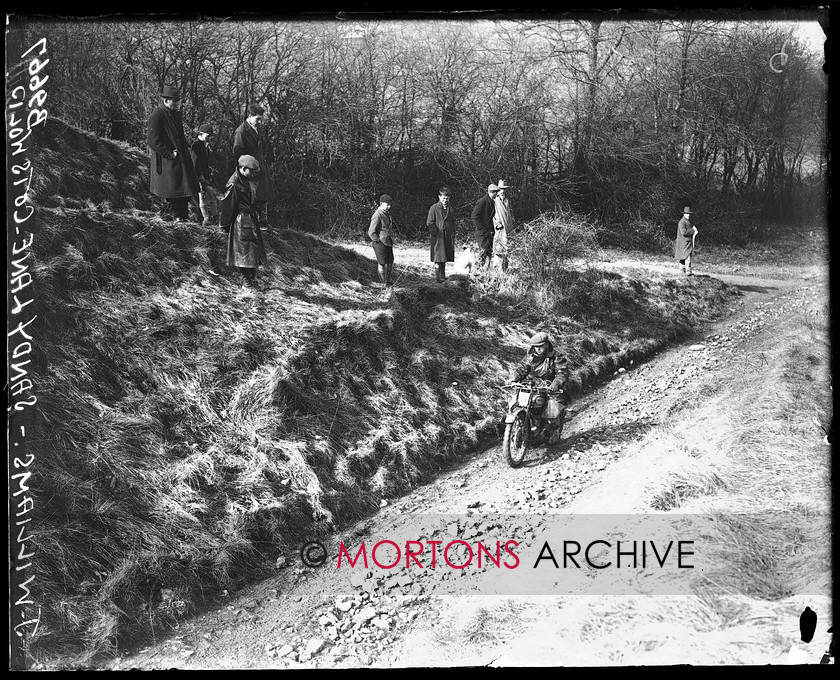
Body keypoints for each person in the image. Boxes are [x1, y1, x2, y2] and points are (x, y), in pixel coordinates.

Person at [146, 84, 200, 221]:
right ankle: (175, 218)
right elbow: (153, 141)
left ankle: (183, 217)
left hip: (180, 159)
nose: (177, 104)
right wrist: (169, 153)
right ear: (165, 100)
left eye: (178, 100)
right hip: (167, 162)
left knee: (184, 191)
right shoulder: (157, 115)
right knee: (173, 191)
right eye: (174, 101)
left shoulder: (175, 114)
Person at [508, 332, 569, 445]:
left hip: (550, 386)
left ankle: (554, 430)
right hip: (533, 385)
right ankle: (520, 427)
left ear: (546, 344)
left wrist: (555, 384)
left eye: (540, 346)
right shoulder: (530, 356)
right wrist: (514, 378)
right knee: (516, 402)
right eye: (536, 347)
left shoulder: (556, 356)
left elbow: (562, 374)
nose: (538, 349)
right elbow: (522, 369)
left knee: (552, 408)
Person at [219, 155, 269, 290]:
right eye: (252, 171)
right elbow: (228, 206)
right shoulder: (234, 184)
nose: (254, 174)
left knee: (253, 252)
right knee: (243, 254)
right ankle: (246, 283)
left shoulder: (246, 180)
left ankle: (252, 280)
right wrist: (224, 225)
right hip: (241, 222)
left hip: (250, 220)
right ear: (243, 168)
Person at [233, 104, 273, 230]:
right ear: (249, 116)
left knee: (264, 193)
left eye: (261, 119)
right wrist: (247, 167)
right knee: (252, 195)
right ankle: (255, 222)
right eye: (257, 119)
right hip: (249, 168)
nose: (259, 122)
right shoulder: (241, 131)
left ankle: (263, 221)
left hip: (259, 166)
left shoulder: (255, 128)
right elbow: (237, 152)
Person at [191, 123, 219, 226]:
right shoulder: (196, 145)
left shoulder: (205, 145)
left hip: (204, 176)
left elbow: (205, 164)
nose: (210, 137)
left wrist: (207, 177)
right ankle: (206, 218)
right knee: (202, 195)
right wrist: (200, 178)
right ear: (201, 134)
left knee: (212, 193)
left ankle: (215, 217)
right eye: (208, 135)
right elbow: (195, 164)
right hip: (197, 176)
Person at [427, 186, 456, 283]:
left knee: (444, 257)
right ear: (439, 197)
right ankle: (438, 277)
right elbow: (430, 222)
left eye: (447, 198)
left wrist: (452, 232)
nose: (445, 200)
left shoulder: (450, 209)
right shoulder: (434, 208)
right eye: (443, 198)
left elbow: (453, 221)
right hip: (438, 238)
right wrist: (436, 233)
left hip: (447, 237)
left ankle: (443, 276)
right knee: (438, 258)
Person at [368, 194, 395, 287]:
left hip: (388, 242)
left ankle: (387, 281)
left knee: (390, 261)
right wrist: (378, 241)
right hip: (380, 243)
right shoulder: (377, 214)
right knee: (382, 263)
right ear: (381, 204)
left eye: (390, 204)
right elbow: (371, 231)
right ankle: (383, 283)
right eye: (387, 204)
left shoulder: (386, 213)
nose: (389, 206)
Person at [471, 184, 499, 269]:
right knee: (481, 254)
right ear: (492, 192)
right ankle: (477, 272)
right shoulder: (482, 201)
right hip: (482, 234)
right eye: (496, 192)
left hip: (489, 233)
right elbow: (474, 216)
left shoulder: (492, 201)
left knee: (488, 253)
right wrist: (482, 229)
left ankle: (485, 273)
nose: (497, 195)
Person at [492, 179, 513, 271]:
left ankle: (505, 268)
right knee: (498, 248)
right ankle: (497, 268)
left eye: (504, 189)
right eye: (500, 189)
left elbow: (509, 213)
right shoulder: (494, 200)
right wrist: (496, 223)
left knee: (507, 248)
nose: (502, 191)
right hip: (499, 227)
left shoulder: (507, 200)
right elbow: (491, 213)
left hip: (508, 227)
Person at [675, 206, 699, 276]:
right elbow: (683, 232)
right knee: (686, 257)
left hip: (687, 243)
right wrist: (693, 230)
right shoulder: (682, 222)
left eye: (689, 214)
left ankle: (682, 271)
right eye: (687, 213)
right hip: (684, 243)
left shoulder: (686, 221)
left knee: (684, 257)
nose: (688, 215)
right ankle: (687, 272)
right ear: (684, 214)